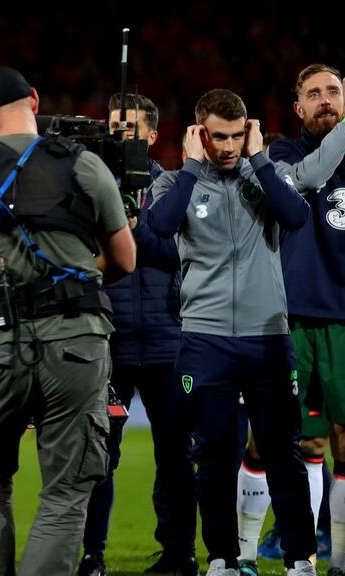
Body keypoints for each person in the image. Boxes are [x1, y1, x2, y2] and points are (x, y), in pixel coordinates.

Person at [0, 66, 134, 576]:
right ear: (35, 100)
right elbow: (125, 260)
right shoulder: (83, 164)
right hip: (76, 343)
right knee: (66, 486)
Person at [147, 88, 315, 576]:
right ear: (199, 133)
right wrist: (193, 167)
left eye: (237, 136)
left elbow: (297, 216)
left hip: (268, 338)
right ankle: (221, 557)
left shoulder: (268, 175)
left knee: (284, 454)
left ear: (250, 132)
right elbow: (160, 224)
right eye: (217, 137)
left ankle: (299, 559)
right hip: (205, 340)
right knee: (214, 456)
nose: (227, 146)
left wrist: (259, 157)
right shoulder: (176, 183)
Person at [77, 93, 198, 576]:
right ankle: (93, 555)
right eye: (114, 125)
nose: (121, 133)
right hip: (110, 339)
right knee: (99, 457)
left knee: (176, 457)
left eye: (131, 126)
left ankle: (179, 552)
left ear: (152, 134)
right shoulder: (87, 186)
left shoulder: (172, 186)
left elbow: (180, 255)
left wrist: (134, 232)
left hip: (169, 340)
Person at [236, 64, 345, 575]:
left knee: (336, 442)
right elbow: (315, 175)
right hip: (290, 319)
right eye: (314, 94)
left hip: (344, 322)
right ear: (298, 108)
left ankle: (336, 557)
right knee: (275, 439)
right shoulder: (281, 155)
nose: (325, 100)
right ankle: (242, 552)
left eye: (334, 92)